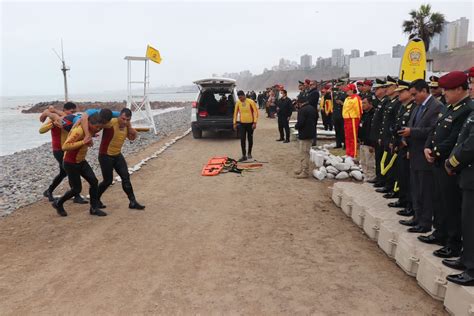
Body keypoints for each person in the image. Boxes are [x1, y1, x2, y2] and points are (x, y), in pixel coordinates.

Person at [420, 71, 472, 259]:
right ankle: (440, 232)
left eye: (448, 90)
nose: (444, 93)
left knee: (451, 205)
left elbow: (455, 139)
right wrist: (428, 147)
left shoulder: (466, 109)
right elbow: (435, 130)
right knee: (439, 201)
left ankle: (452, 243)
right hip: (438, 161)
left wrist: (437, 153)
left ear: (459, 89)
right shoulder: (450, 107)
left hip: (448, 163)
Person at [398, 79, 442, 233]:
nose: (413, 97)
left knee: (425, 190)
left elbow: (431, 130)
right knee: (416, 188)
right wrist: (406, 138)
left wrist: (412, 132)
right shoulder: (417, 106)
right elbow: (412, 124)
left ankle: (425, 223)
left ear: (424, 91)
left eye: (415, 94)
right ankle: (417, 217)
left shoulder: (436, 107)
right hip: (414, 152)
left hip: (425, 155)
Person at [52, 113, 107, 217]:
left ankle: (94, 208)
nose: (98, 129)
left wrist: (89, 139)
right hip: (70, 163)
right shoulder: (79, 131)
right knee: (76, 189)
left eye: (100, 128)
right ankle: (58, 203)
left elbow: (84, 117)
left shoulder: (90, 130)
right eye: (97, 127)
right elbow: (65, 146)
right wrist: (83, 142)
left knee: (94, 182)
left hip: (81, 161)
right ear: (89, 123)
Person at [444, 107, 474, 286]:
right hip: (468, 176)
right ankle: (466, 258)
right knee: (467, 222)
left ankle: (472, 270)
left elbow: (471, 145)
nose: (471, 88)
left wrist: (452, 162)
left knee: (471, 223)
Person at [38, 102, 87, 204]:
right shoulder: (55, 119)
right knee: (70, 172)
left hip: (67, 149)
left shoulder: (69, 119)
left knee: (64, 172)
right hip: (58, 150)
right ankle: (76, 196)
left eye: (74, 111)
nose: (73, 113)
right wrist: (52, 124)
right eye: (71, 111)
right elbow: (41, 130)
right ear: (65, 110)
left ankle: (49, 191)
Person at [97, 108, 145, 210]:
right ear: (119, 116)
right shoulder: (111, 123)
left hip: (117, 155)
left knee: (126, 177)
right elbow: (97, 125)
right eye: (123, 119)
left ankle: (133, 202)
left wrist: (134, 132)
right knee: (107, 181)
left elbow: (131, 138)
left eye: (128, 120)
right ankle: (95, 200)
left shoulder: (127, 125)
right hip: (105, 155)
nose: (125, 122)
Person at [387, 80, 415, 213]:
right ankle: (403, 199)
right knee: (401, 174)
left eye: (401, 92)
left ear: (410, 92)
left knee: (407, 176)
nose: (398, 94)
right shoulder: (403, 106)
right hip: (400, 145)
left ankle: (409, 204)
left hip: (407, 145)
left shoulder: (413, 107)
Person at [376, 76, 401, 197]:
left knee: (392, 164)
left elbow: (395, 123)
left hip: (392, 138)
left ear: (395, 87)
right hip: (386, 137)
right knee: (385, 162)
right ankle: (386, 183)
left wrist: (392, 139)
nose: (386, 89)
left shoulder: (397, 103)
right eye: (385, 86)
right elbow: (384, 122)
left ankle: (391, 186)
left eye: (388, 86)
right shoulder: (390, 102)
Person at [368, 79, 388, 186]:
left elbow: (384, 121)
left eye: (377, 89)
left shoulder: (386, 101)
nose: (375, 91)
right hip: (376, 135)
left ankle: (382, 179)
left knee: (381, 159)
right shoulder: (381, 101)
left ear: (383, 89)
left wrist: (380, 136)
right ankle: (378, 176)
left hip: (381, 136)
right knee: (378, 158)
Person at [294, 95, 317, 179]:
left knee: (304, 153)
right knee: (304, 152)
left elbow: (301, 122)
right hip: (311, 133)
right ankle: (302, 169)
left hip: (304, 134)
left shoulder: (302, 110)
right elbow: (316, 120)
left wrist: (296, 126)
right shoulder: (312, 108)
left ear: (300, 103)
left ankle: (305, 171)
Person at [233, 90, 259, 162]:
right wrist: (234, 123)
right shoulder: (238, 103)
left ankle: (249, 153)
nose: (240, 99)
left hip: (250, 124)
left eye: (241, 97)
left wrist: (255, 122)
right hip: (242, 124)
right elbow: (235, 114)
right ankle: (244, 155)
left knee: (250, 139)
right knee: (242, 139)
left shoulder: (250, 102)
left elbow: (256, 112)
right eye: (239, 98)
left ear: (244, 95)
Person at [342, 83, 362, 158]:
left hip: (353, 119)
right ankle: (348, 153)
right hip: (346, 119)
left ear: (352, 90)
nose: (346, 91)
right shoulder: (347, 98)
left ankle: (353, 154)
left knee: (353, 137)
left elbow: (359, 109)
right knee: (347, 136)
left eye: (348, 90)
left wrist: (358, 119)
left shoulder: (356, 98)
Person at [358, 95, 376, 181]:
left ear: (370, 103)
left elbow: (373, 129)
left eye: (364, 103)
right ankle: (366, 177)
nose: (362, 105)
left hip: (369, 143)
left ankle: (371, 177)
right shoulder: (364, 114)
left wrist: (372, 143)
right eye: (362, 103)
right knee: (363, 162)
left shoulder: (374, 114)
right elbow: (361, 127)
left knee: (370, 163)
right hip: (362, 142)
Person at [332, 82, 346, 149]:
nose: (338, 87)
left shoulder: (345, 94)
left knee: (343, 130)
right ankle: (338, 143)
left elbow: (347, 104)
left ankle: (345, 144)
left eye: (340, 85)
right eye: (337, 85)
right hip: (336, 114)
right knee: (337, 130)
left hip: (342, 114)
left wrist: (341, 103)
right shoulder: (335, 93)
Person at [306, 80, 320, 146]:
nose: (310, 86)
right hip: (309, 111)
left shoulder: (315, 92)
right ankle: (310, 139)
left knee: (313, 127)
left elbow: (311, 101)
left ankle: (313, 141)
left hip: (312, 111)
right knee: (309, 126)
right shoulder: (310, 92)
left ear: (315, 85)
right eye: (310, 84)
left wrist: (304, 104)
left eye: (312, 84)